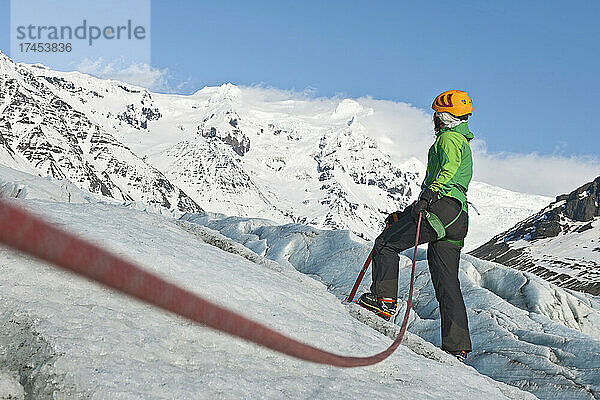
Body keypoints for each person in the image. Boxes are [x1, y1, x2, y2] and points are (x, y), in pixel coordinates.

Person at [357, 90, 474, 362]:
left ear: (444, 117)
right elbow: (457, 178)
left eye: (436, 114)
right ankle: (457, 346)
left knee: (386, 243)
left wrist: (431, 194)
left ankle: (382, 302)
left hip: (441, 206)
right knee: (447, 281)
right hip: (458, 216)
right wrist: (408, 213)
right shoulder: (463, 142)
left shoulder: (447, 139)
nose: (433, 119)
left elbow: (448, 170)